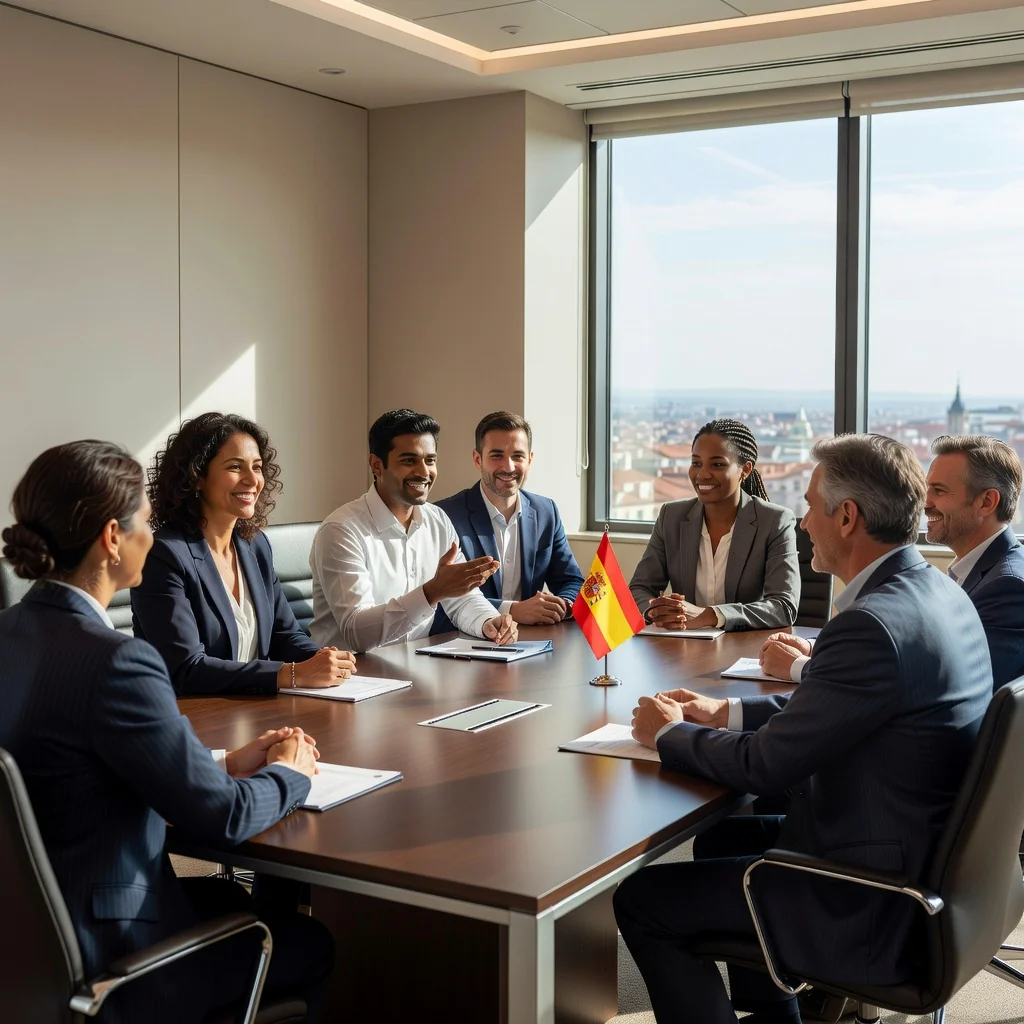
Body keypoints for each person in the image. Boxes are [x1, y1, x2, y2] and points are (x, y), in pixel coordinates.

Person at [618, 434, 992, 1024]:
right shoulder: (936, 590)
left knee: (643, 901)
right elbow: (848, 711)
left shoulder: (871, 623)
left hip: (869, 896)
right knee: (723, 839)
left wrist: (666, 734)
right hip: (924, 859)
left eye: (812, 507)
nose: (803, 521)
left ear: (848, 517)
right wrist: (726, 713)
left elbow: (767, 767)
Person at [0, 441, 334, 1024]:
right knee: (312, 942)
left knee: (229, 897)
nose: (152, 538)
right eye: (146, 524)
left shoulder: (10, 634)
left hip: (25, 944)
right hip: (115, 958)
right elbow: (222, 818)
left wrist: (226, 760)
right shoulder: (117, 660)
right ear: (111, 538)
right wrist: (290, 774)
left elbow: (74, 758)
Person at [131, 412, 357, 696]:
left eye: (258, 467)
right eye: (235, 467)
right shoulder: (164, 555)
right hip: (194, 717)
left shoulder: (255, 545)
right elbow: (187, 668)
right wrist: (291, 674)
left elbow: (284, 635)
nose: (252, 480)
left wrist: (322, 659)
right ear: (197, 477)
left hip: (253, 708)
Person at [309, 409, 518, 652]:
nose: (423, 472)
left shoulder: (437, 520)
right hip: (352, 677)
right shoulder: (341, 531)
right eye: (409, 460)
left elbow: (461, 599)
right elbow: (357, 633)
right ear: (377, 465)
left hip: (416, 667)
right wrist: (431, 592)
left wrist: (489, 622)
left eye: (430, 460)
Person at [628, 418, 799, 632]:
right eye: (696, 463)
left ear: (745, 470)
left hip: (746, 651)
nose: (702, 474)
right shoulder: (671, 516)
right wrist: (656, 612)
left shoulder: (774, 521)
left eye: (717, 464)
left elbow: (783, 606)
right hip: (684, 647)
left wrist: (708, 615)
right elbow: (640, 587)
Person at [431, 411, 583, 633]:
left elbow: (572, 581)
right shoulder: (444, 515)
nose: (509, 467)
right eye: (497, 455)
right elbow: (440, 599)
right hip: (463, 646)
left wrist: (562, 606)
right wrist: (512, 610)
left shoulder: (546, 511)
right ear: (477, 459)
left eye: (518, 456)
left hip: (530, 643)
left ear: (530, 459)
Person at [925, 435, 1024, 690]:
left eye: (938, 490)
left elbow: (949, 682)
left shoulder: (1007, 586)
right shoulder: (974, 570)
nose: (925, 503)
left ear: (986, 502)